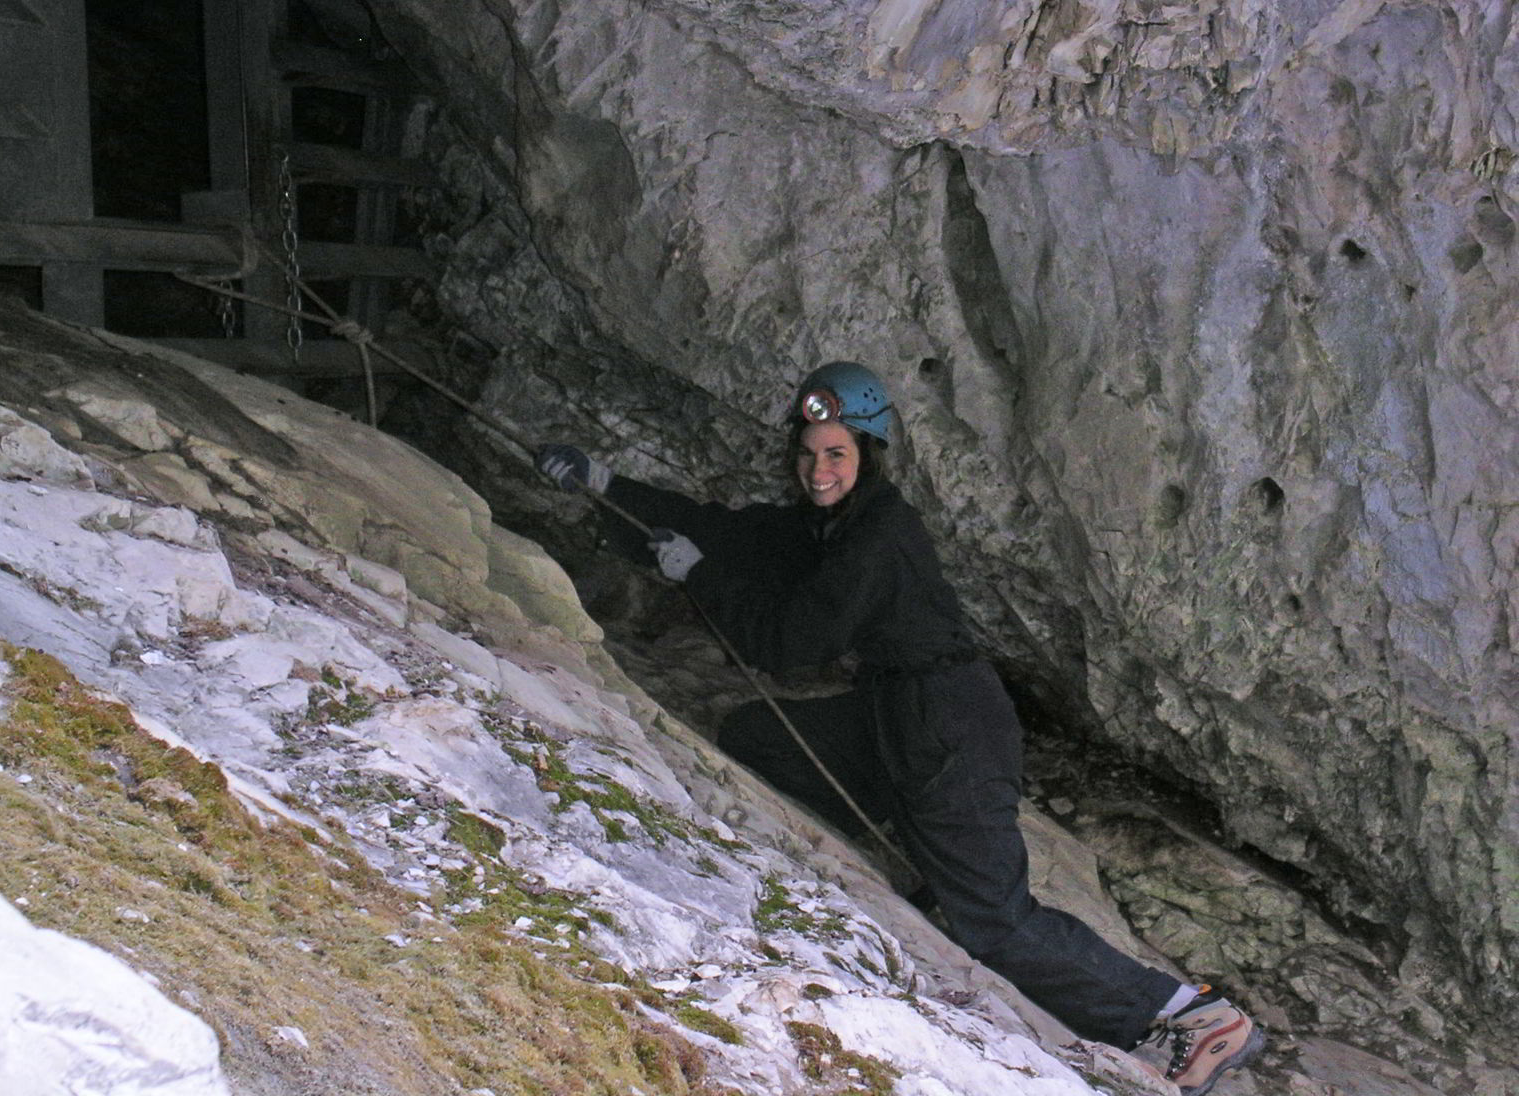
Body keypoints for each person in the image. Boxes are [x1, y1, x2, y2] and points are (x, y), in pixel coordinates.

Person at [536, 361, 1264, 1095]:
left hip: (952, 723)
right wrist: (603, 484)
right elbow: (733, 534)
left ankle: (1189, 1015)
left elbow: (793, 645)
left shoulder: (878, 534)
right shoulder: (829, 525)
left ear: (868, 456)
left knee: (995, 921)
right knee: (760, 739)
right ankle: (923, 862)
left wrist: (700, 578)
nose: (818, 470)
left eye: (836, 454)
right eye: (809, 453)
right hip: (893, 714)